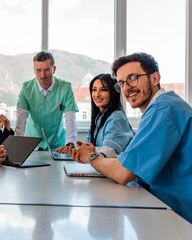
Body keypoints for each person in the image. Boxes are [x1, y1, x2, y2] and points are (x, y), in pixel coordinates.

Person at [68, 52, 192, 223]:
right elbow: (127, 161)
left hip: (178, 215)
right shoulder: (160, 108)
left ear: (155, 78)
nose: (126, 88)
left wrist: (91, 156)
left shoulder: (163, 111)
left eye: (133, 78)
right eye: (121, 83)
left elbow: (123, 173)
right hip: (160, 206)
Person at [15, 51, 79, 151]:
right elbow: (21, 118)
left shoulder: (65, 87)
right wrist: (17, 144)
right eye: (38, 70)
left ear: (54, 69)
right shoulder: (26, 88)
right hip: (32, 145)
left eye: (47, 70)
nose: (42, 75)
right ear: (34, 70)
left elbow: (70, 117)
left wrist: (69, 144)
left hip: (58, 145)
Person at [84, 73, 133, 157]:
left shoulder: (116, 117)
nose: (97, 94)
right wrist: (73, 149)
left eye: (103, 90)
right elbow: (87, 144)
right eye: (94, 90)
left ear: (113, 93)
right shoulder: (99, 117)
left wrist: (89, 150)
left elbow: (109, 152)